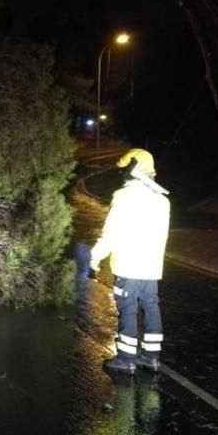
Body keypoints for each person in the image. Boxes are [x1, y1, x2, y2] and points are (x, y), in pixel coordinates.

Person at [90, 148, 170, 374]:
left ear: (133, 167)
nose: (122, 172)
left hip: (128, 266)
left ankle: (126, 359)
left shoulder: (124, 196)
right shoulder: (163, 201)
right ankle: (151, 358)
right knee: (151, 307)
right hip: (152, 268)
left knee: (128, 309)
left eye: (125, 167)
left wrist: (95, 258)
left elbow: (111, 232)